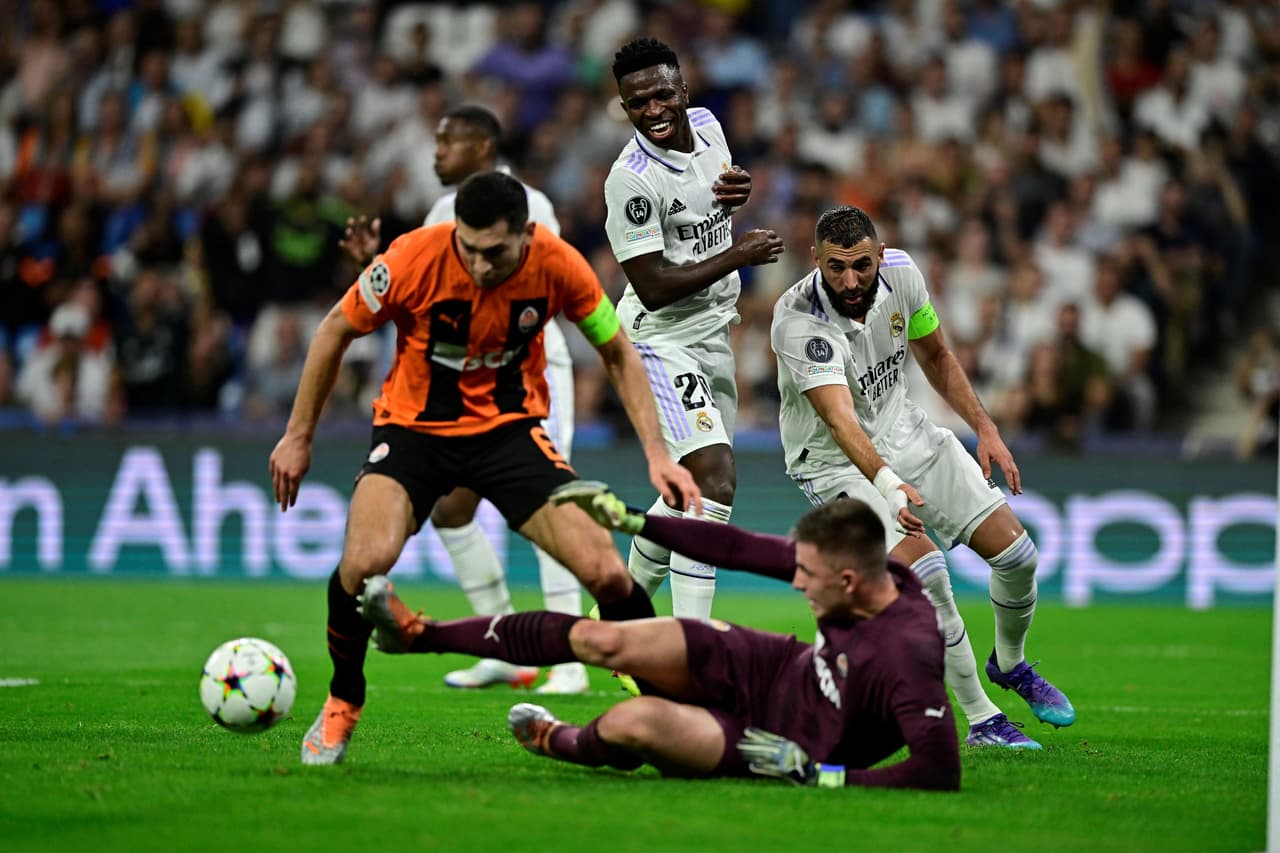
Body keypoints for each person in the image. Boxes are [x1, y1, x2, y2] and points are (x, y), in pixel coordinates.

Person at [270, 171, 700, 766]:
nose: (477, 263)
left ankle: (664, 711)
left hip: (508, 434)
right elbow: (334, 330)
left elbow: (617, 351)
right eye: (467, 248)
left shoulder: (558, 264)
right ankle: (345, 697)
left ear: (526, 234)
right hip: (413, 431)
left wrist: (656, 452)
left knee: (604, 570)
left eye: (494, 252)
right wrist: (297, 436)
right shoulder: (412, 258)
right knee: (364, 563)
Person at [360, 482, 961, 791]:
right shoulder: (856, 575)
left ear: (850, 581)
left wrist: (820, 775)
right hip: (770, 668)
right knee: (605, 640)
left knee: (634, 723)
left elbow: (939, 770)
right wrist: (632, 520)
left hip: (777, 740)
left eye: (806, 575)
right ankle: (421, 635)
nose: (796, 580)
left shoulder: (907, 653)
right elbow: (737, 546)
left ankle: (560, 739)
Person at [769, 206, 1075, 748]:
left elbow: (934, 354)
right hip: (836, 462)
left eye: (861, 266)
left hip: (909, 433)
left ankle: (1011, 664)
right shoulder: (798, 321)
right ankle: (983, 720)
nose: (850, 280)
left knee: (1017, 557)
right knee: (928, 573)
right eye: (835, 268)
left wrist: (984, 427)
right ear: (815, 259)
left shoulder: (905, 275)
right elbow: (839, 420)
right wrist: (887, 484)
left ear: (880, 256)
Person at [340, 104, 588, 695]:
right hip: (463, 383)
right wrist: (375, 269)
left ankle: (571, 661)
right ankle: (504, 646)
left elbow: (537, 284)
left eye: (447, 141)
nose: (436, 153)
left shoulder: (528, 204)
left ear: (482, 147)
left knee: (548, 506)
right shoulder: (439, 213)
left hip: (530, 370)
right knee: (452, 508)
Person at [603, 37, 785, 620]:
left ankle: (616, 622)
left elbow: (715, 197)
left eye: (661, 96)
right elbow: (653, 286)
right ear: (624, 107)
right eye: (637, 104)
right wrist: (739, 255)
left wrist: (740, 192)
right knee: (713, 484)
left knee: (684, 495)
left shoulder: (708, 126)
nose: (652, 111)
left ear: (683, 92)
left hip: (713, 332)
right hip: (659, 339)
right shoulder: (628, 181)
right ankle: (691, 647)